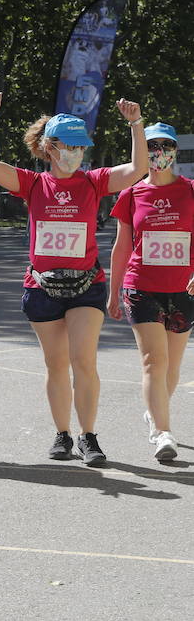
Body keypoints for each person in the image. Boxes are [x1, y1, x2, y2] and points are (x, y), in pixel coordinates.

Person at [0, 93, 149, 466]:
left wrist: (136, 124)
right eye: (67, 146)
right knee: (56, 364)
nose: (75, 153)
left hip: (86, 285)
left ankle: (89, 437)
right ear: (49, 147)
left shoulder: (93, 182)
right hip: (42, 286)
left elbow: (137, 169)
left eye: (79, 147)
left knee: (83, 359)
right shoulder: (33, 184)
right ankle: (62, 434)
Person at [106, 122, 194, 460]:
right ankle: (162, 432)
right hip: (141, 287)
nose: (159, 152)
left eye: (165, 146)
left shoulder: (189, 190)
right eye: (152, 146)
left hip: (183, 290)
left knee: (171, 366)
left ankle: (155, 412)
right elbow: (121, 246)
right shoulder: (131, 194)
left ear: (175, 151)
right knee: (153, 362)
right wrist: (113, 294)